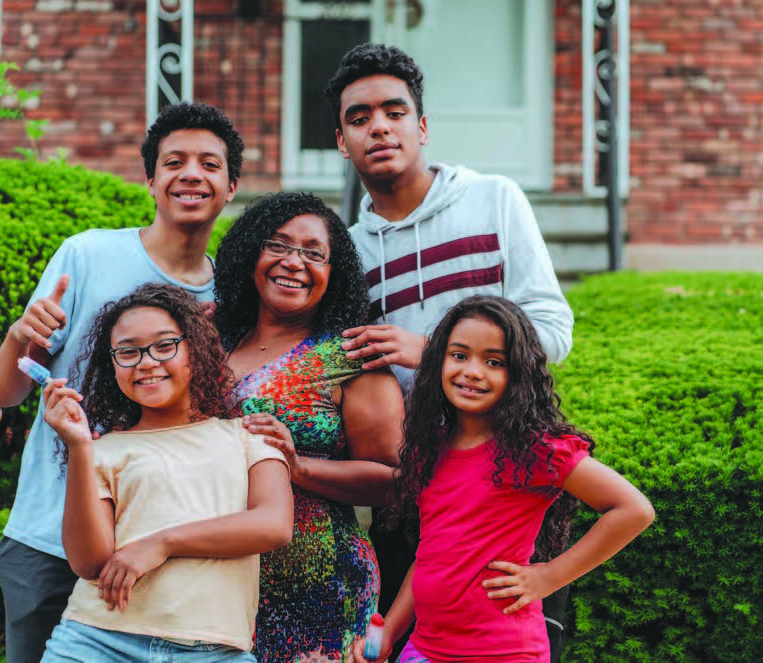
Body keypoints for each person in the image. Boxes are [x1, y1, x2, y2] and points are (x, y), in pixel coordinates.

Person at [324, 42, 576, 657]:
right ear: (341, 141)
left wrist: (430, 350)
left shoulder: (493, 198)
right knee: (405, 642)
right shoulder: (348, 252)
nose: (378, 127)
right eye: (359, 118)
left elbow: (553, 330)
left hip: (511, 474)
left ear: (422, 125)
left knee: (519, 637)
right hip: (417, 483)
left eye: (394, 111)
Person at [0, 101, 244, 663]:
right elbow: (6, 393)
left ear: (230, 186)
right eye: (174, 162)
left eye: (209, 163)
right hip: (49, 537)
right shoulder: (88, 254)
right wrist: (16, 339)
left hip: (158, 559)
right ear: (151, 180)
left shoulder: (229, 298)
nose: (192, 174)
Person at [350, 295, 654, 663]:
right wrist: (392, 633)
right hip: (425, 650)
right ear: (437, 362)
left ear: (518, 374)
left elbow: (633, 510)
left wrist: (548, 577)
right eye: (459, 355)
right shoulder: (430, 448)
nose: (472, 371)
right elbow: (429, 557)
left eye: (493, 362)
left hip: (504, 653)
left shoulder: (534, 450)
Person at [36, 283, 293, 661]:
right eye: (128, 351)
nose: (146, 361)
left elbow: (274, 526)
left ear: (196, 346)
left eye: (164, 345)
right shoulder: (100, 449)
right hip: (97, 640)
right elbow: (89, 562)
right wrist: (77, 448)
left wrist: (160, 544)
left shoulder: (248, 436)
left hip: (212, 650)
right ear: (113, 363)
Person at [212, 192, 404, 662]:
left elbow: (397, 484)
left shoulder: (351, 358)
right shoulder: (211, 343)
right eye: (277, 245)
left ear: (332, 273)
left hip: (319, 587)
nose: (293, 262)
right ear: (248, 254)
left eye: (314, 253)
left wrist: (297, 467)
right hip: (217, 580)